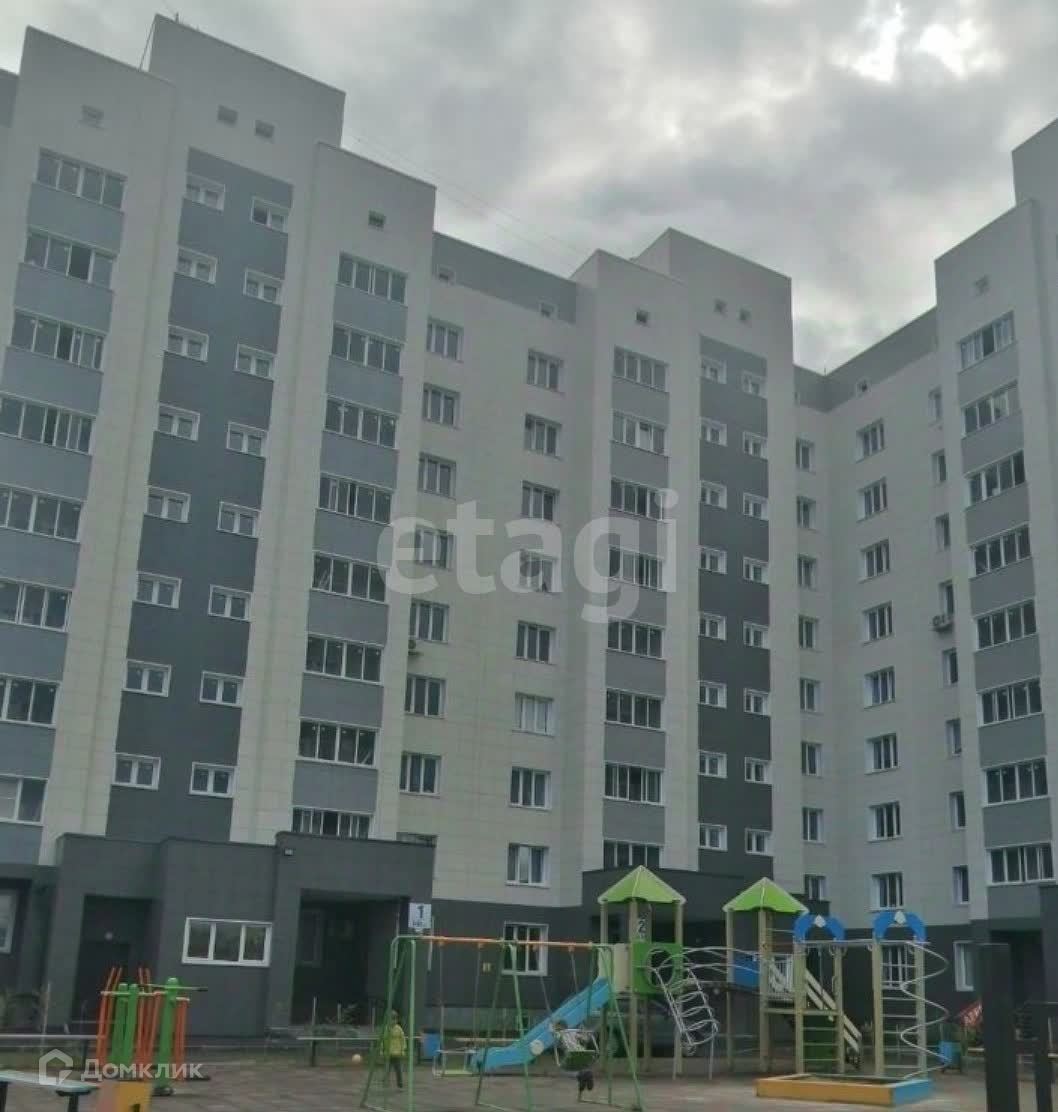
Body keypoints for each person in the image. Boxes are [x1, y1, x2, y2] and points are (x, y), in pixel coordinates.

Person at [386, 1011, 407, 1089]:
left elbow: (403, 1040)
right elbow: (383, 1040)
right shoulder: (386, 1029)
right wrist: (382, 1050)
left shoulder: (399, 1029)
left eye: (395, 1019)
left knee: (398, 1070)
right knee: (386, 1070)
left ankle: (400, 1084)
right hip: (388, 1053)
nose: (393, 1021)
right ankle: (385, 1082)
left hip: (397, 1054)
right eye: (392, 1019)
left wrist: (403, 1050)